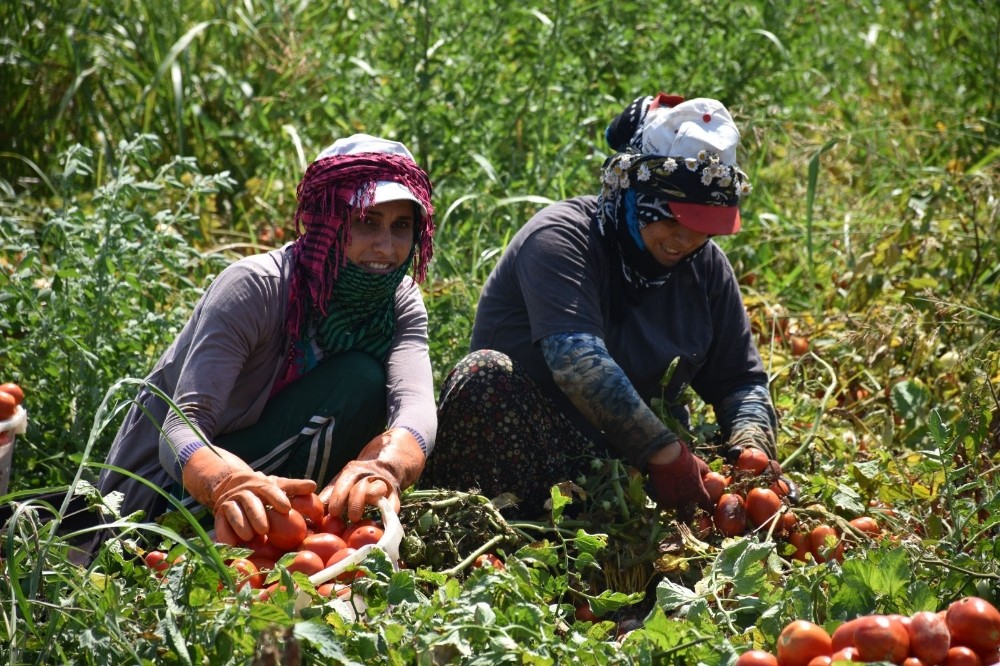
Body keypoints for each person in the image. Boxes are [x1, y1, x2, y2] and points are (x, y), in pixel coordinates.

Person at [421, 94, 785, 517]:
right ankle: (514, 530)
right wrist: (665, 455)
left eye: (703, 228)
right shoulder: (560, 239)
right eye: (670, 218)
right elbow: (579, 363)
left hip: (629, 474)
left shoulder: (706, 269)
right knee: (482, 375)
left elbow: (740, 380)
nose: (684, 239)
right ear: (633, 192)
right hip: (532, 457)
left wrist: (751, 450)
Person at [98, 134, 437, 544]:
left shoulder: (397, 300)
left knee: (361, 380)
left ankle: (299, 533)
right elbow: (182, 425)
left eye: (401, 226)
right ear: (325, 222)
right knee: (357, 378)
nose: (386, 246)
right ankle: (237, 534)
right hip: (157, 498)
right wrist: (225, 481)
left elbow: (415, 406)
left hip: (274, 474)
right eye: (366, 222)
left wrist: (386, 468)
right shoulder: (255, 288)